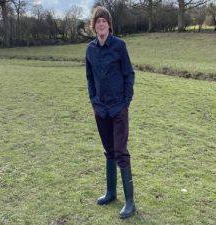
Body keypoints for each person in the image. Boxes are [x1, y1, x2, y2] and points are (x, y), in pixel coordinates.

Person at [85, 6, 136, 219]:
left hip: (118, 109)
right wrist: (94, 101)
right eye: (98, 21)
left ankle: (130, 202)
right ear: (94, 26)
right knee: (109, 151)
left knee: (121, 152)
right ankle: (111, 193)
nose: (101, 24)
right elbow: (89, 78)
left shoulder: (119, 46)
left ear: (109, 25)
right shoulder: (90, 49)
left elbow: (129, 74)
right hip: (101, 109)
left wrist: (125, 102)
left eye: (104, 21)